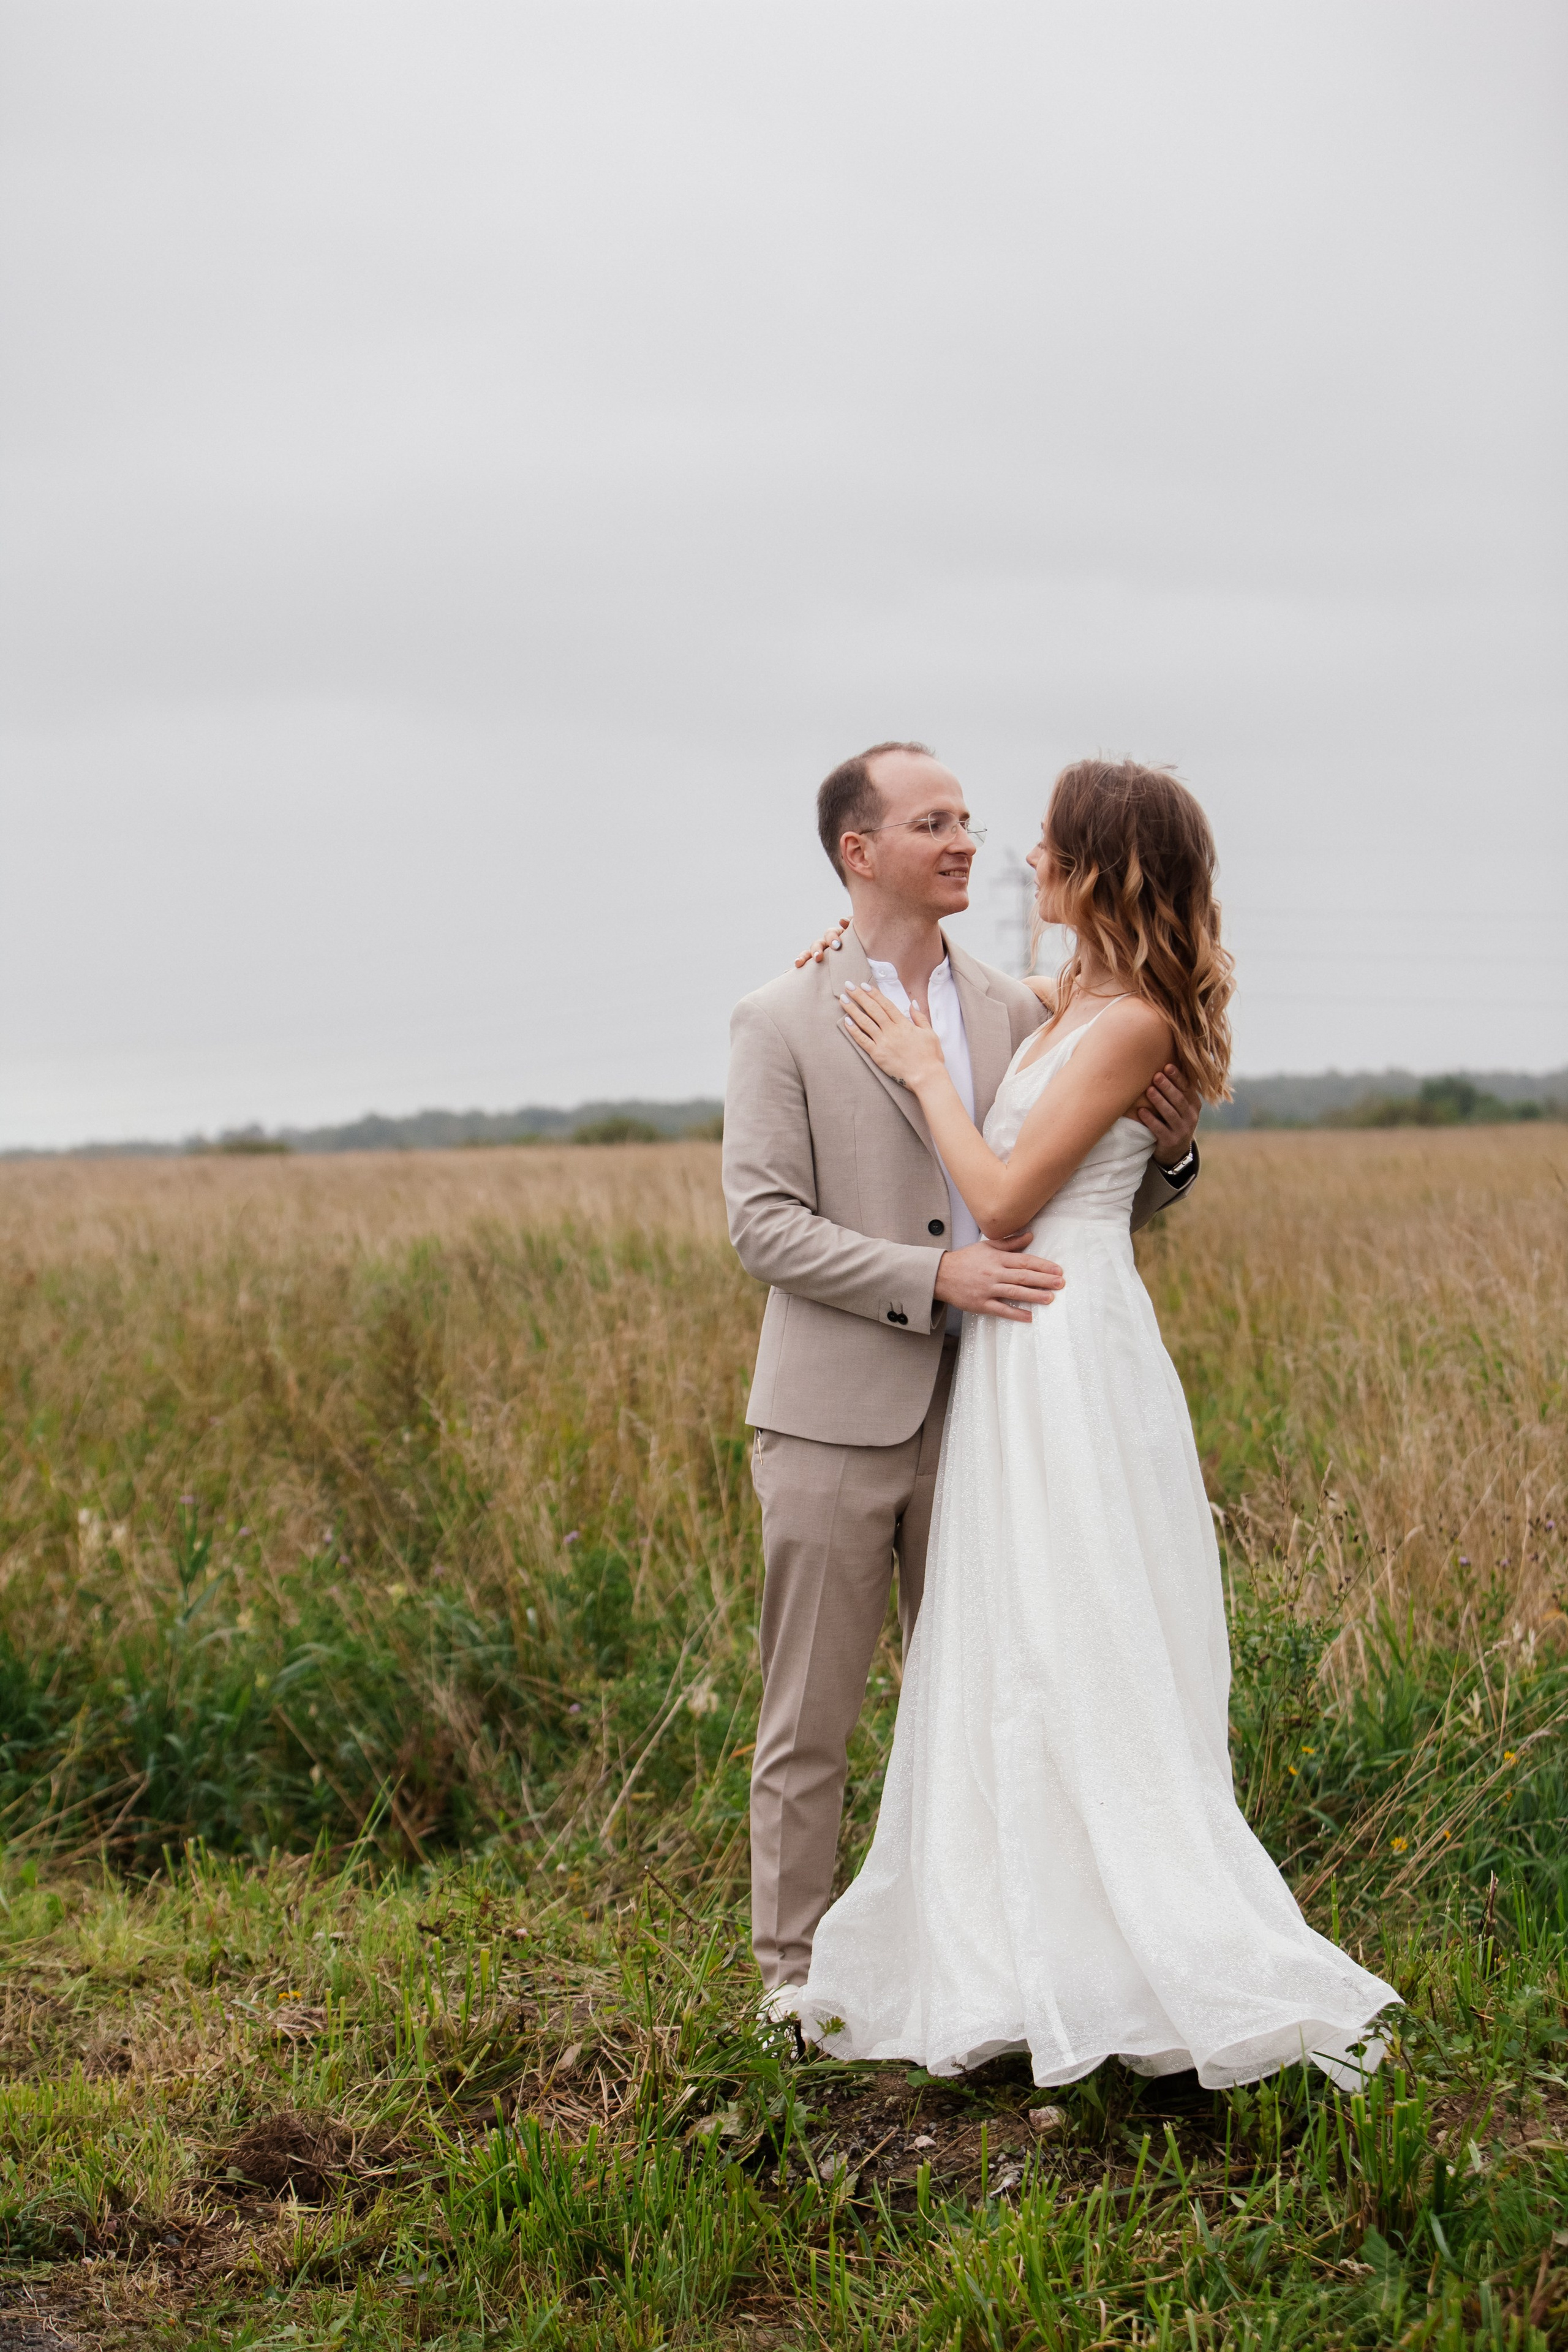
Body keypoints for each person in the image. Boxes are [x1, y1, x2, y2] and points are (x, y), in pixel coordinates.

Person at [790, 756, 1395, 2090]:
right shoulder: (1076, 1004)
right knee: (1018, 1637)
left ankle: (1146, 1951)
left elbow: (1004, 1199)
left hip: (1065, 1341)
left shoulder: (1124, 1024)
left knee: (1087, 1630)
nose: (1020, 862)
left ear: (1099, 867)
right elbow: (972, 1000)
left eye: (1047, 845)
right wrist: (855, 951)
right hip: (1024, 1350)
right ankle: (1019, 1949)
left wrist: (912, 1068)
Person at [721, 741, 1204, 2002]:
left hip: (999, 1409)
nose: (966, 841)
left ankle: (978, 1971)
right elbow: (760, 1229)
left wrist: (1170, 1161)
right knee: (807, 1724)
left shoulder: (1023, 1006)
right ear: (856, 852)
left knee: (997, 1704)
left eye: (969, 818)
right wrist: (932, 1278)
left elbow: (1073, 1205)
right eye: (931, 820)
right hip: (833, 1416)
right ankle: (789, 1987)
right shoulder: (779, 1016)